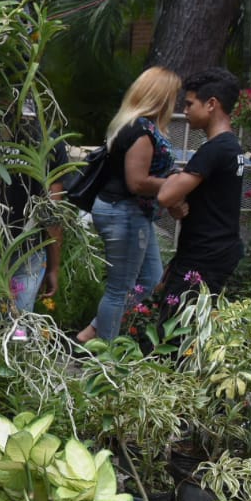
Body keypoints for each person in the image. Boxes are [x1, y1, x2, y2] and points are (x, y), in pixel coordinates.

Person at [76, 66, 181, 343]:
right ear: (162, 96)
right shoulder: (141, 130)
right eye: (174, 95)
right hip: (124, 212)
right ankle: (104, 358)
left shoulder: (133, 124)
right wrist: (178, 183)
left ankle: (93, 333)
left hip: (129, 213)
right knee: (119, 289)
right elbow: (137, 182)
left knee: (151, 280)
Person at [156, 67, 245, 304]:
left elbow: (165, 195)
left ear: (211, 104)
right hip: (212, 250)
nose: (185, 111)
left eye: (189, 104)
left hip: (205, 255)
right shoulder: (231, 146)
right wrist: (179, 202)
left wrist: (174, 183)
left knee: (174, 329)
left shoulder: (214, 150)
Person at [0, 103, 68, 314]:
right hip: (29, 247)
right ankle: (16, 344)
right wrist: (54, 267)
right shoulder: (50, 144)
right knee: (20, 316)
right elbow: (51, 212)